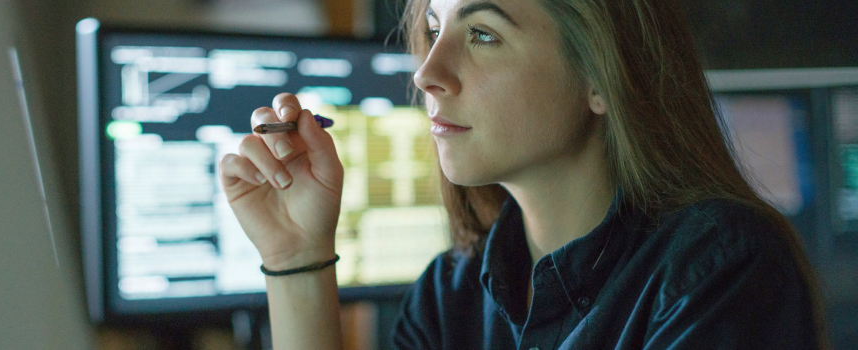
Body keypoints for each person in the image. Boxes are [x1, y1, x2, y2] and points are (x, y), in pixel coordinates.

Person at [217, 0, 827, 348]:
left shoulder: (721, 270)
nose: (427, 73)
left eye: (481, 34)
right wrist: (297, 256)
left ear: (601, 77)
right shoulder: (449, 294)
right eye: (432, 30)